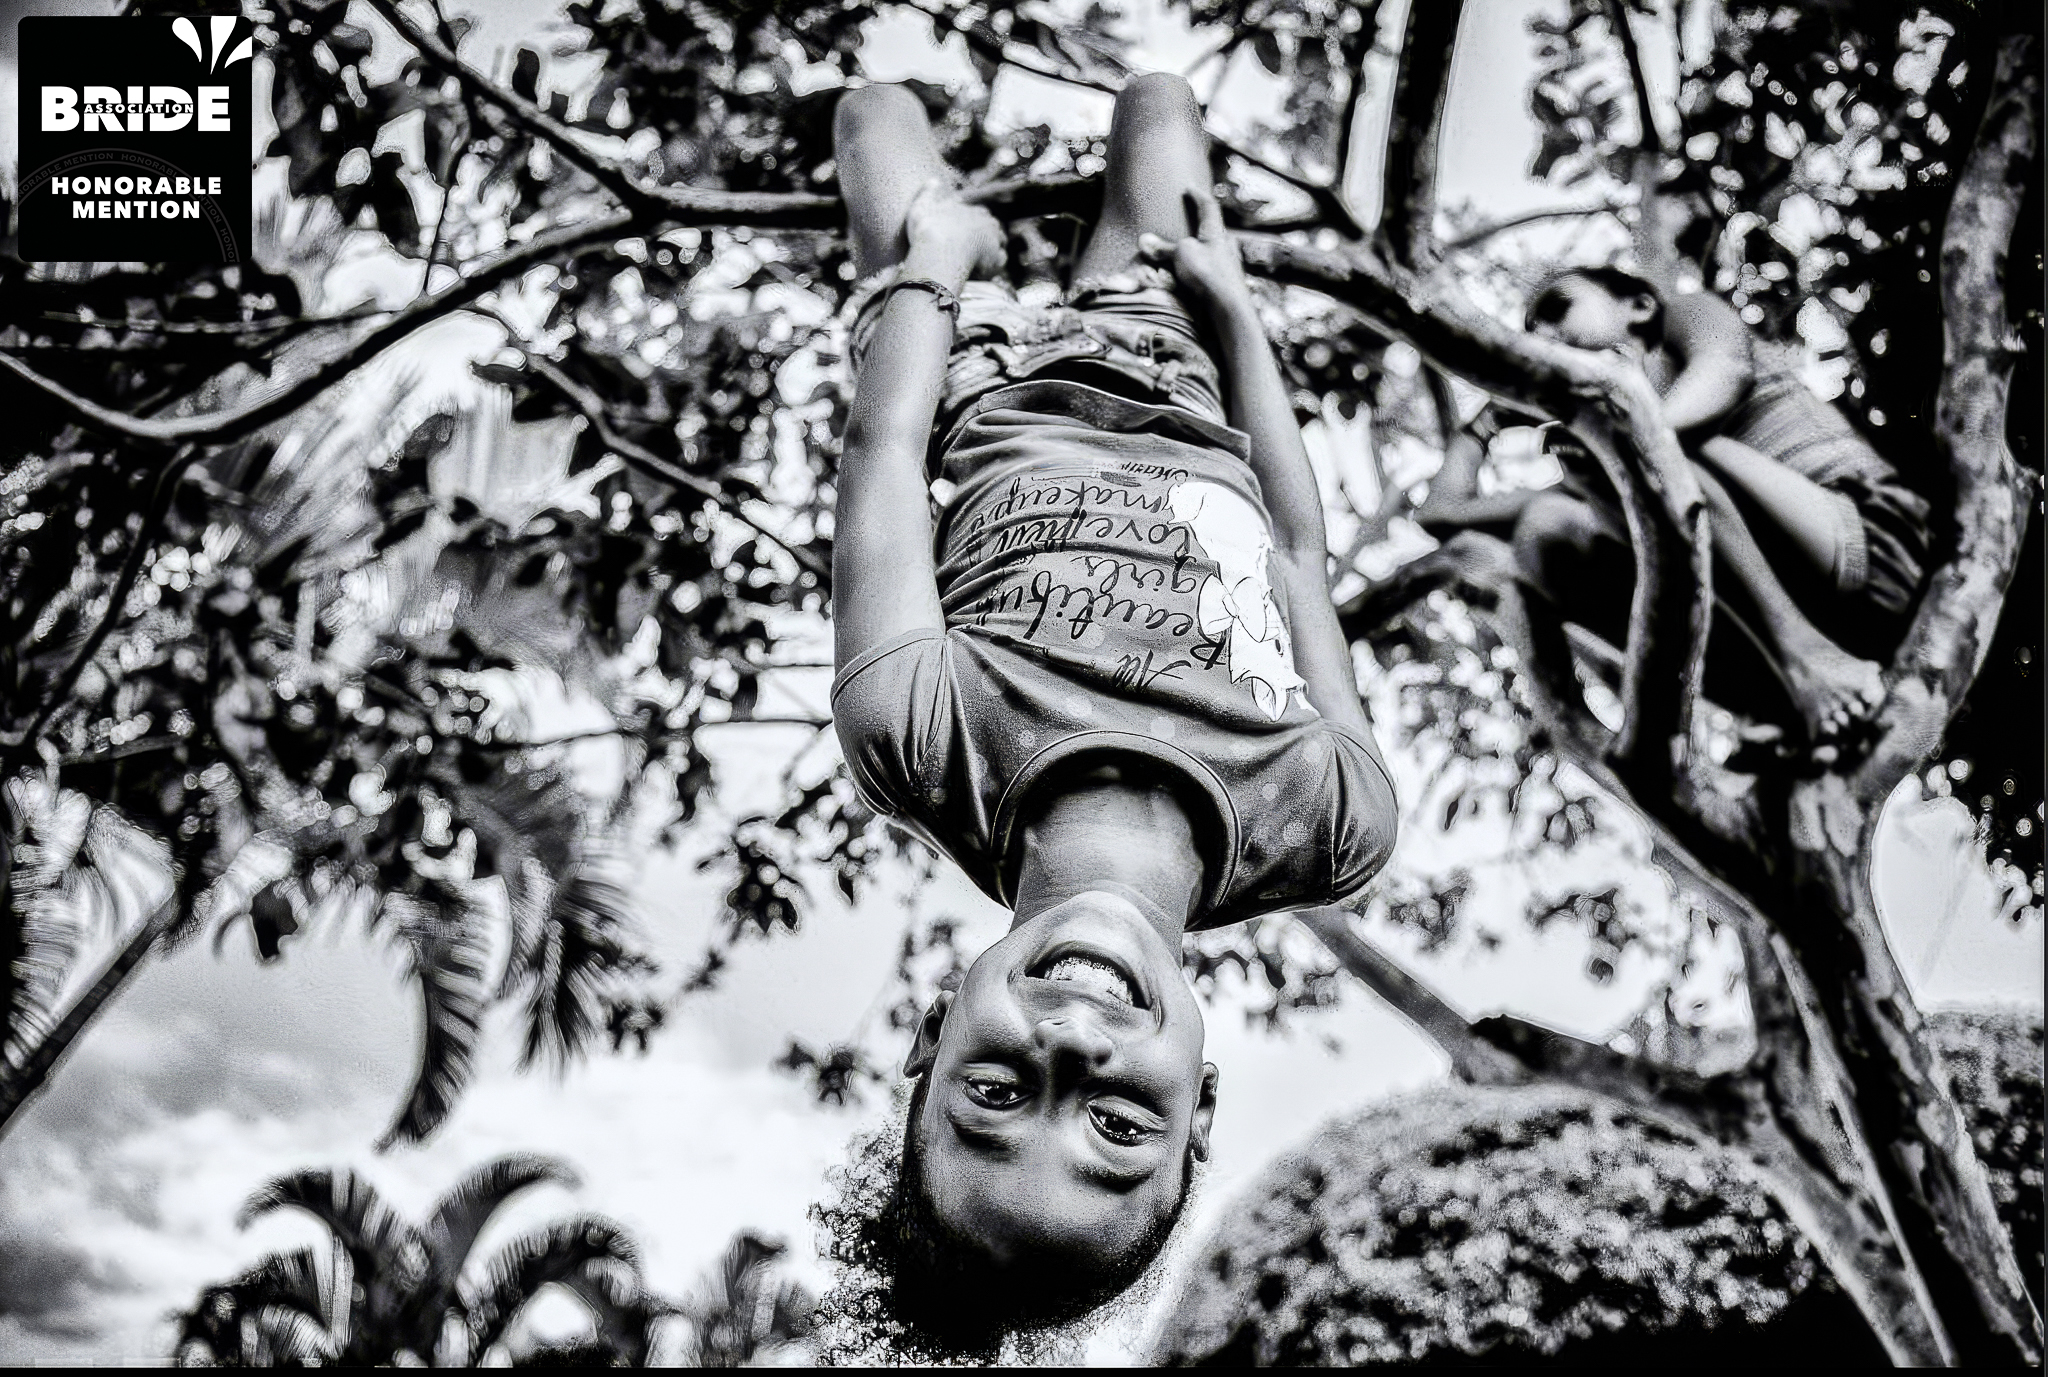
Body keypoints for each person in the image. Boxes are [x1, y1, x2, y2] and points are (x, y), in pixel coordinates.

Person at [821, 75, 1397, 1354]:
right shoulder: (1330, 823)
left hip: (973, 364)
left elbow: (885, 456)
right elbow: (1298, 554)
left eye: (993, 1091)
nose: (1073, 1044)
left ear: (932, 1035)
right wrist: (1233, 314)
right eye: (1118, 1125)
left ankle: (964, 211)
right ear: (1198, 1109)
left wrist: (934, 265)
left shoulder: (916, 737)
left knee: (872, 113)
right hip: (1170, 350)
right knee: (1158, 105)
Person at [1416, 265, 1930, 749]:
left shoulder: (1682, 319)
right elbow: (1441, 515)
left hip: (1865, 547)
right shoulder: (1598, 467)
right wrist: (1481, 426)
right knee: (1545, 528)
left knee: (1628, 446)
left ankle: (1810, 660)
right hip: (1792, 641)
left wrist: (1623, 440)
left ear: (1638, 305)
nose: (1543, 335)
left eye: (1557, 308)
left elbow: (1724, 371)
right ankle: (1768, 701)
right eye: (1531, 334)